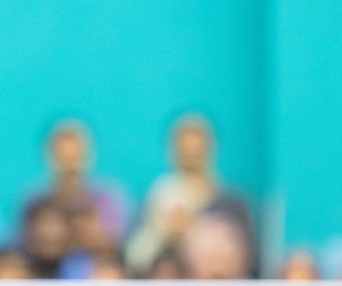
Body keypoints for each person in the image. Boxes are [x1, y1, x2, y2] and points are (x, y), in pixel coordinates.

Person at [126, 113, 253, 274]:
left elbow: (249, 260)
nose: (192, 153)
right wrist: (164, 233)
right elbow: (135, 258)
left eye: (198, 149)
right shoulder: (159, 196)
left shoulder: (231, 203)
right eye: (186, 150)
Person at [19, 120, 131, 245]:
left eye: (74, 155)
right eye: (61, 154)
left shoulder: (105, 198)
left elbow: (115, 240)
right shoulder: (35, 201)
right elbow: (22, 243)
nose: (68, 163)